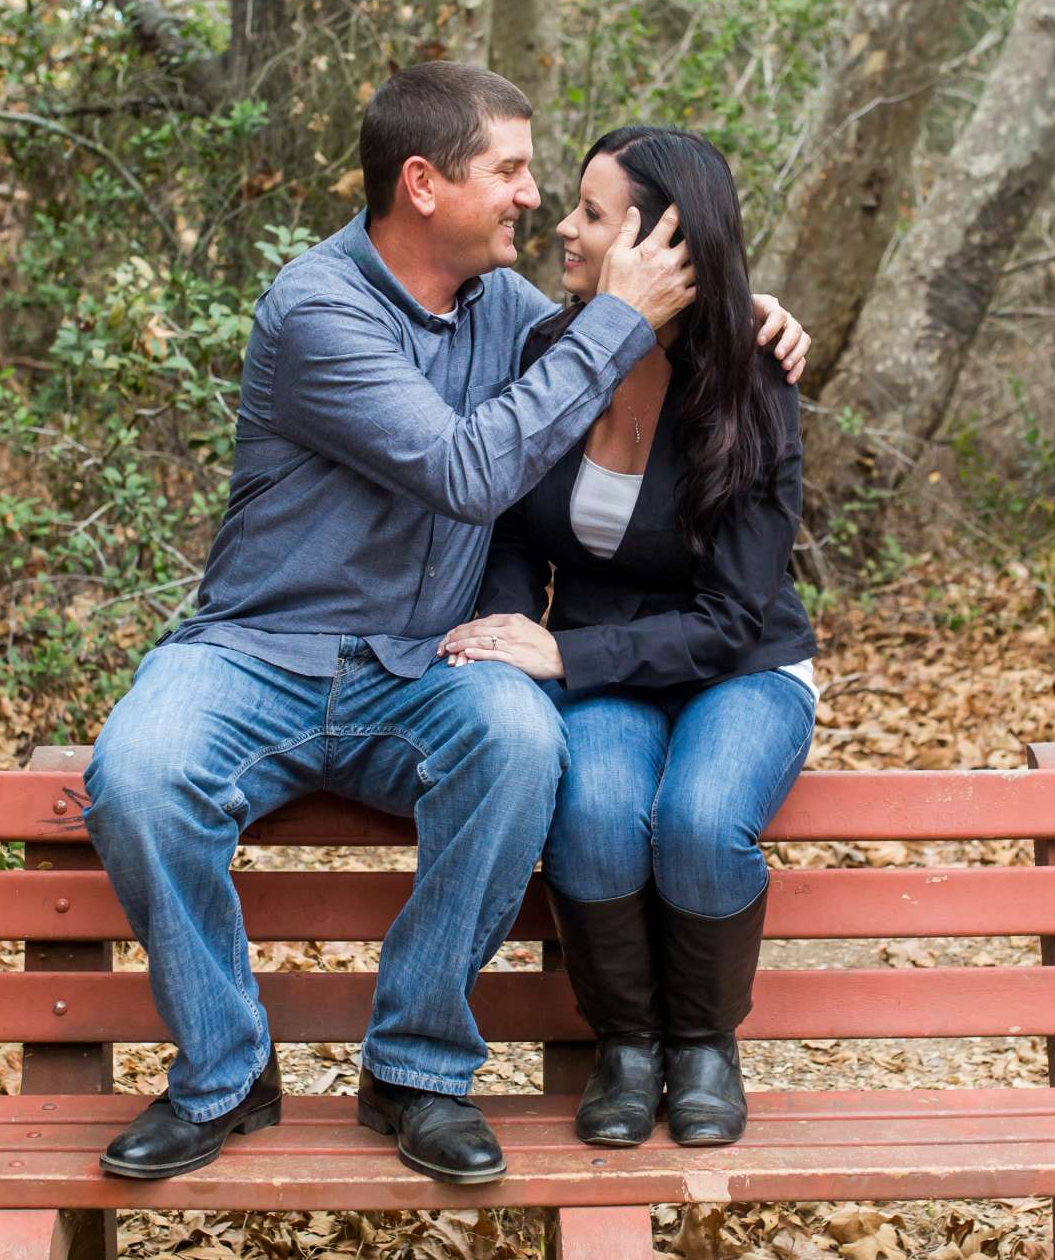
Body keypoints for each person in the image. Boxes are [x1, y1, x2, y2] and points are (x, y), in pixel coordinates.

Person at [79, 65, 809, 1185]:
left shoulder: (508, 312)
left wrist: (744, 311)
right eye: (510, 170)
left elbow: (618, 346)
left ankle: (416, 1069)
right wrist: (616, 317)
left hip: (421, 664)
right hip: (258, 652)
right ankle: (223, 1074)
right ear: (422, 184)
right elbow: (472, 467)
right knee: (136, 772)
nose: (533, 196)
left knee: (520, 743)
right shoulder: (318, 308)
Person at [437, 126, 817, 1149]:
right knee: (598, 818)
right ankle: (627, 1046)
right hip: (602, 661)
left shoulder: (754, 379)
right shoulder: (552, 352)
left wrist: (567, 655)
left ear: (663, 246)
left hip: (743, 667)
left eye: (592, 214)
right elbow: (514, 520)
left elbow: (737, 615)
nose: (562, 223)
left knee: (698, 823)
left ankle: (702, 1044)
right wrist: (507, 625)